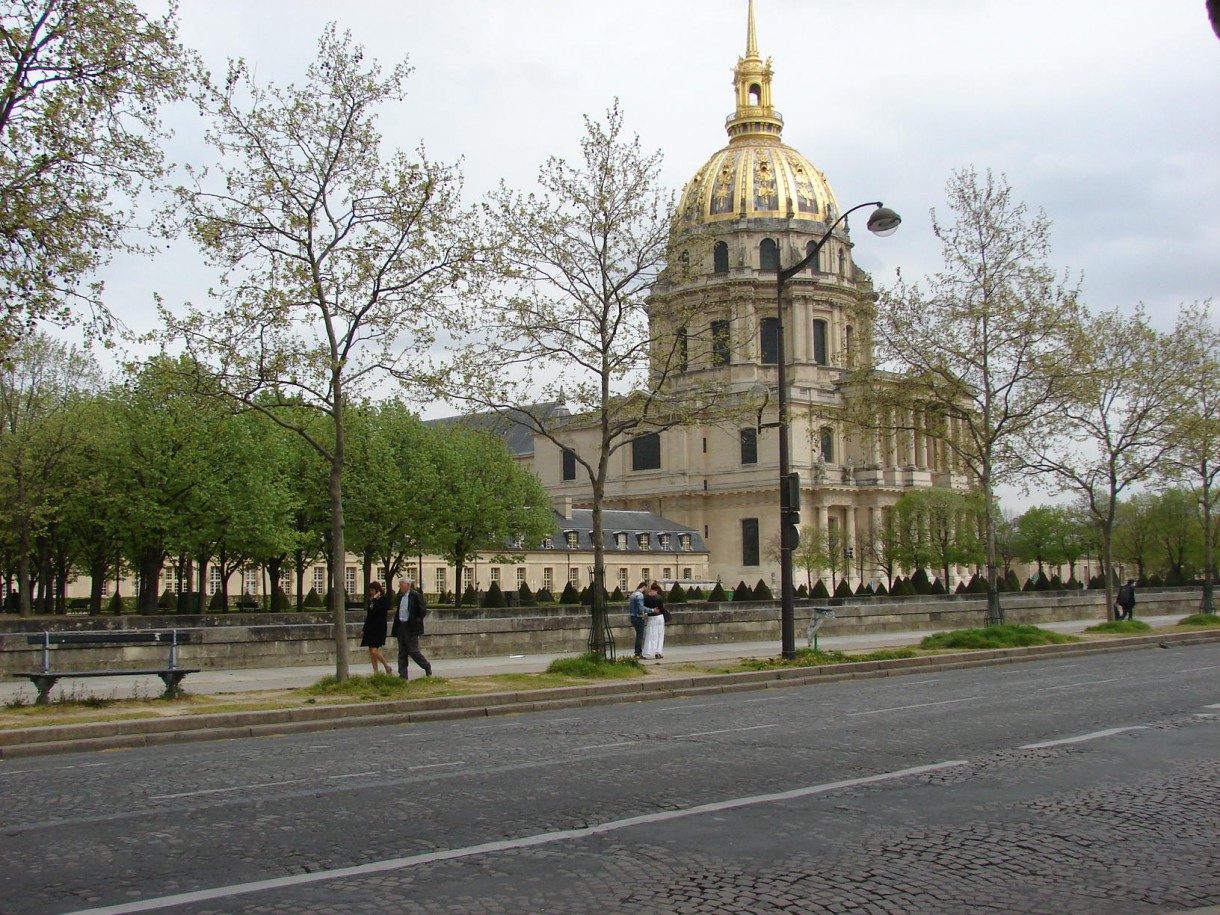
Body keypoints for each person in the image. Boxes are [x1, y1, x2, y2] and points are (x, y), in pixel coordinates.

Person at [391, 578, 432, 679]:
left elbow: (422, 611)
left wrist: (416, 620)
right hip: (401, 625)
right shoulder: (401, 597)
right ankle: (402, 675)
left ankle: (426, 666)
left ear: (407, 585)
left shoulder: (415, 595)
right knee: (402, 652)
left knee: (413, 651)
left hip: (411, 626)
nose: (400, 587)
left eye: (401, 585)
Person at [359, 581, 393, 675]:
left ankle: (386, 666)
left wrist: (374, 600)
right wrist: (364, 629)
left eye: (372, 590)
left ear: (378, 590)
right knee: (371, 651)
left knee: (374, 651)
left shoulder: (383, 600)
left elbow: (380, 610)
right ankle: (376, 672)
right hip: (371, 628)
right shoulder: (371, 600)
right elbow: (369, 616)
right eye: (370, 590)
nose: (371, 592)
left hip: (379, 628)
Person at [641, 580, 667, 659]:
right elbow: (662, 609)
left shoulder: (646, 597)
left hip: (650, 617)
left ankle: (647, 652)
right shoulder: (659, 597)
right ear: (657, 589)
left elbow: (644, 608)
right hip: (659, 617)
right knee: (659, 635)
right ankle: (658, 652)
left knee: (650, 635)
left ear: (651, 588)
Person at [627, 581, 649, 658]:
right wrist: (652, 610)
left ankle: (637, 652)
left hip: (633, 617)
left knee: (638, 635)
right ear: (644, 587)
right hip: (638, 617)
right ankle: (638, 653)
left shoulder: (633, 594)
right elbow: (641, 608)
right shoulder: (640, 595)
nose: (647, 589)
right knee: (640, 636)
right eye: (646, 587)